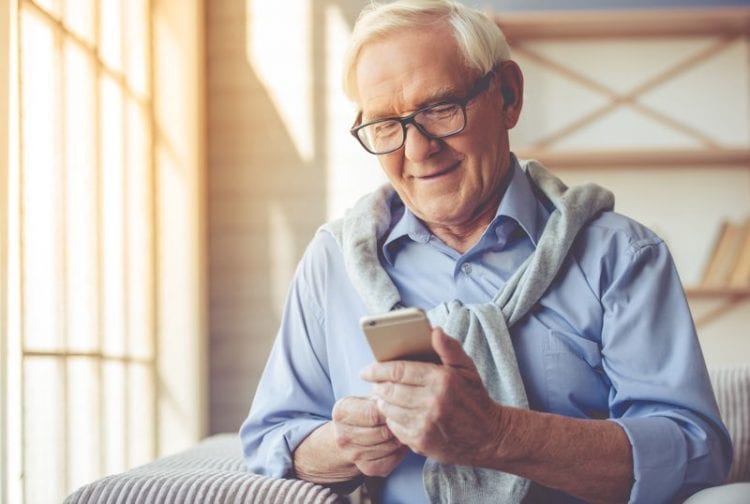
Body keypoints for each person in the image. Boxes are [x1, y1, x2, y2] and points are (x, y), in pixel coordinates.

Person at [239, 1, 732, 502]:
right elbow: (272, 438)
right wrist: (346, 444)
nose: (416, 150)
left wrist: (498, 434)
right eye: (386, 124)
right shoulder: (333, 262)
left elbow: (694, 453)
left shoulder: (621, 256)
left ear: (508, 96)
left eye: (439, 108)